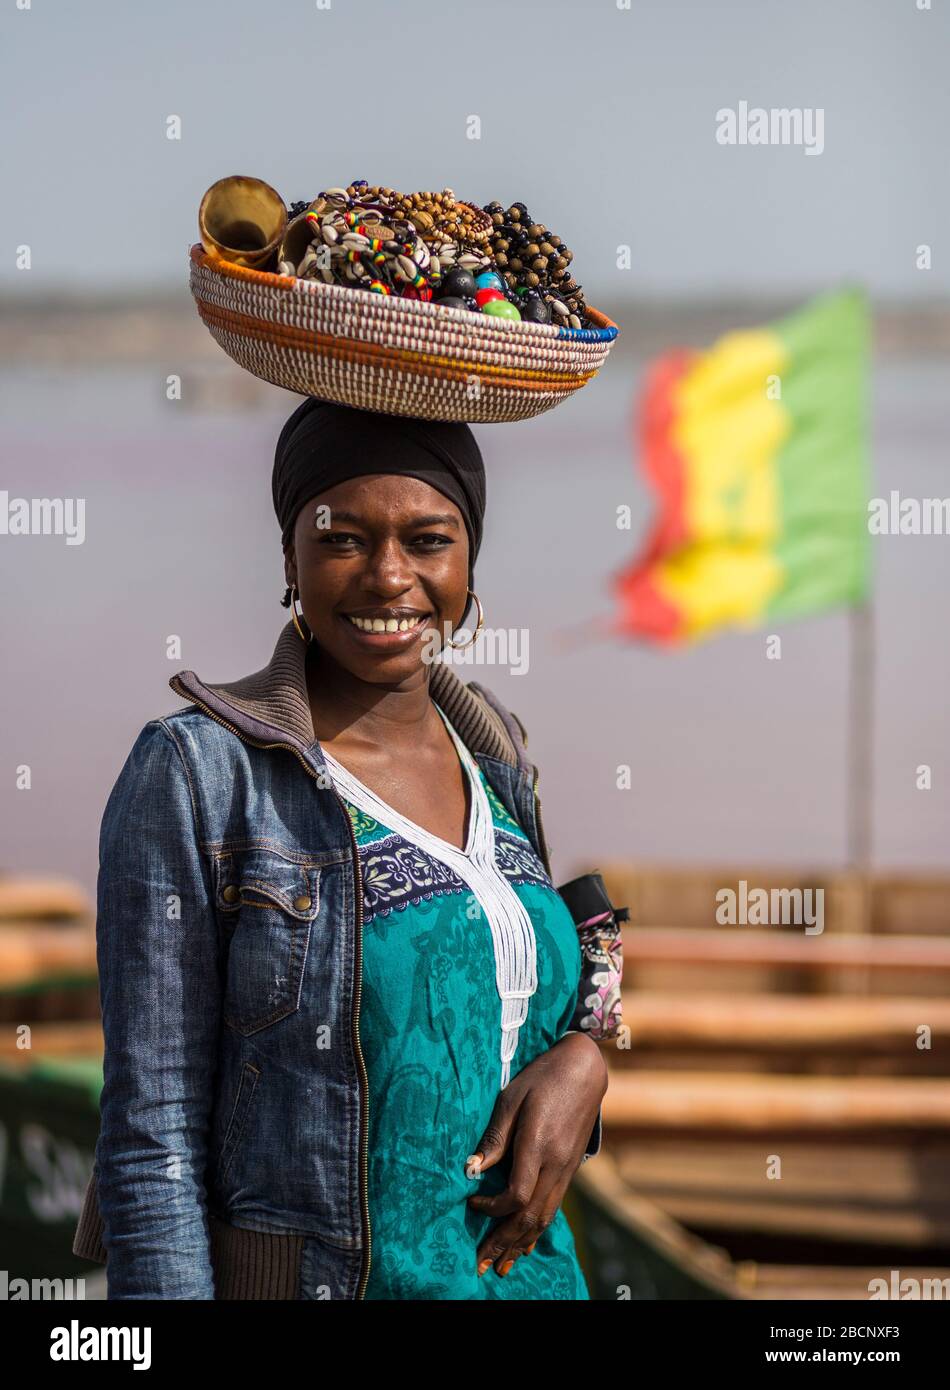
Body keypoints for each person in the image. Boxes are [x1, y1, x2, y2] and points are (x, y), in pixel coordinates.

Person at [72, 398, 609, 1300]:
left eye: (429, 541)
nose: (389, 577)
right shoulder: (200, 774)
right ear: (290, 558)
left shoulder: (497, 754)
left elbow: (532, 995)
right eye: (344, 540)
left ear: (471, 560)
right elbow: (152, 1132)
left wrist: (589, 1055)